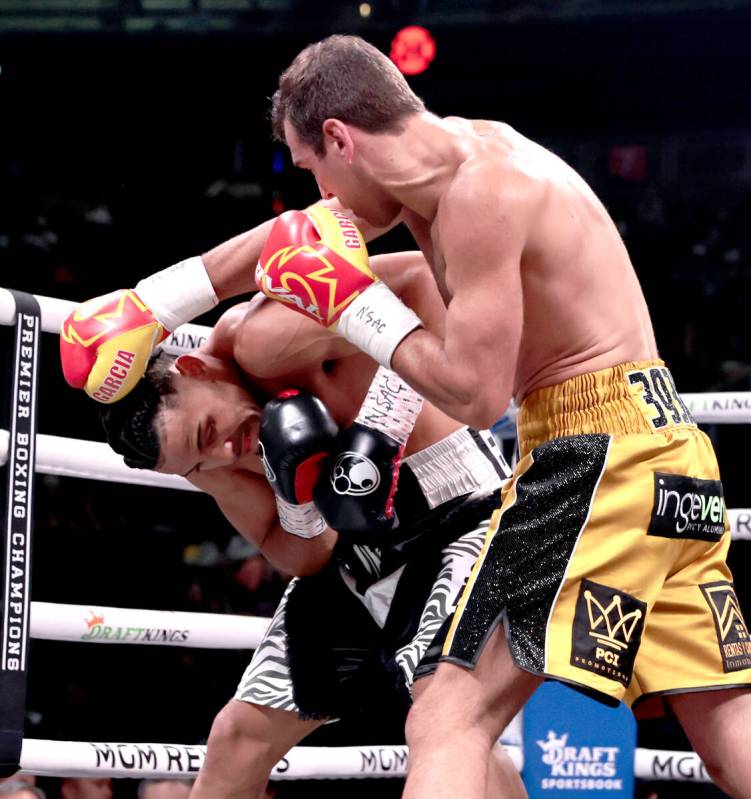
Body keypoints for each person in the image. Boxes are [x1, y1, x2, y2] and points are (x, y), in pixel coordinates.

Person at [253, 34, 751, 799]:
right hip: (668, 452)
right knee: (727, 732)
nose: (320, 197)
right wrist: (162, 298)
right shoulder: (467, 157)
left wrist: (354, 306)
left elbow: (476, 393)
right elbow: (290, 256)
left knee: (447, 716)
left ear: (339, 139)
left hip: (595, 456)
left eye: (312, 167)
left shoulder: (475, 198)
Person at [95, 250, 523, 799]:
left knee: (446, 716)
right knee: (237, 737)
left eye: (208, 434)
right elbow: (303, 557)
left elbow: (419, 278)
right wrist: (298, 501)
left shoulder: (267, 338)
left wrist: (381, 429)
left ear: (195, 369)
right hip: (355, 554)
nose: (224, 456)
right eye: (199, 466)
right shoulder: (199, 456)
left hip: (454, 501)